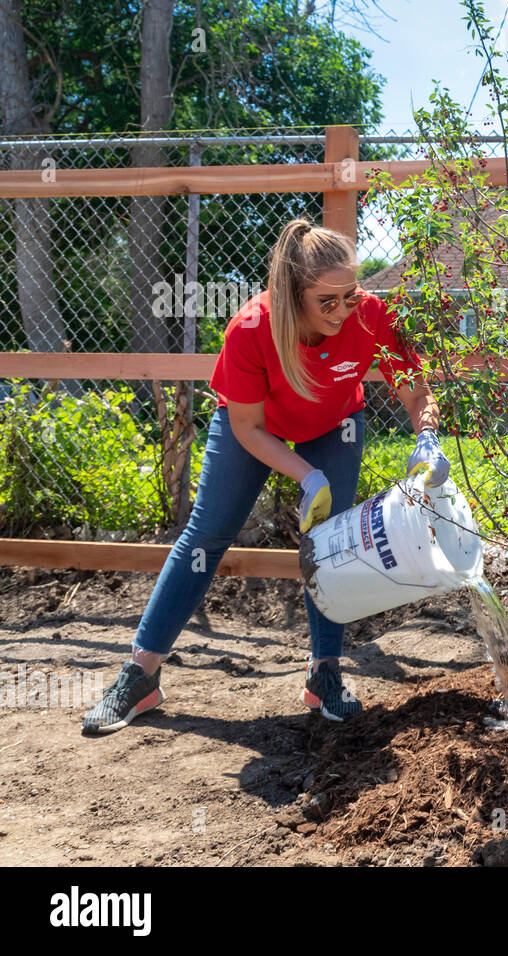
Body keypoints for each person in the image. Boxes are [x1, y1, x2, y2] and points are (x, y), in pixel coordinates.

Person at [82, 218, 450, 733]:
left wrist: (426, 435)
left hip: (334, 422)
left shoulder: (368, 314)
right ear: (290, 295)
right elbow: (249, 428)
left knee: (331, 541)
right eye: (328, 302)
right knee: (207, 535)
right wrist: (307, 476)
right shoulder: (251, 329)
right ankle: (140, 676)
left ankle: (324, 673)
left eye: (351, 294)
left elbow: (414, 386)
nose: (344, 311)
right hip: (255, 428)